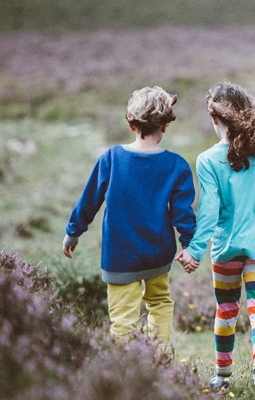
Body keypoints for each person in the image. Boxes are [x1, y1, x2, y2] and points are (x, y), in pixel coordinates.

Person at [175, 82, 255, 392]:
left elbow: (208, 211)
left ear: (215, 120)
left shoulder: (207, 160)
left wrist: (195, 249)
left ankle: (222, 376)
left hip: (225, 249)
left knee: (226, 311)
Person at [62, 86, 196, 358]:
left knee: (123, 317)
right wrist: (189, 243)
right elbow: (184, 213)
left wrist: (73, 232)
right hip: (159, 255)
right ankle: (161, 359)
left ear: (131, 123)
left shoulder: (111, 159)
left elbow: (89, 200)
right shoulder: (176, 165)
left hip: (119, 256)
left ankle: (126, 367)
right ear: (165, 126)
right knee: (159, 302)